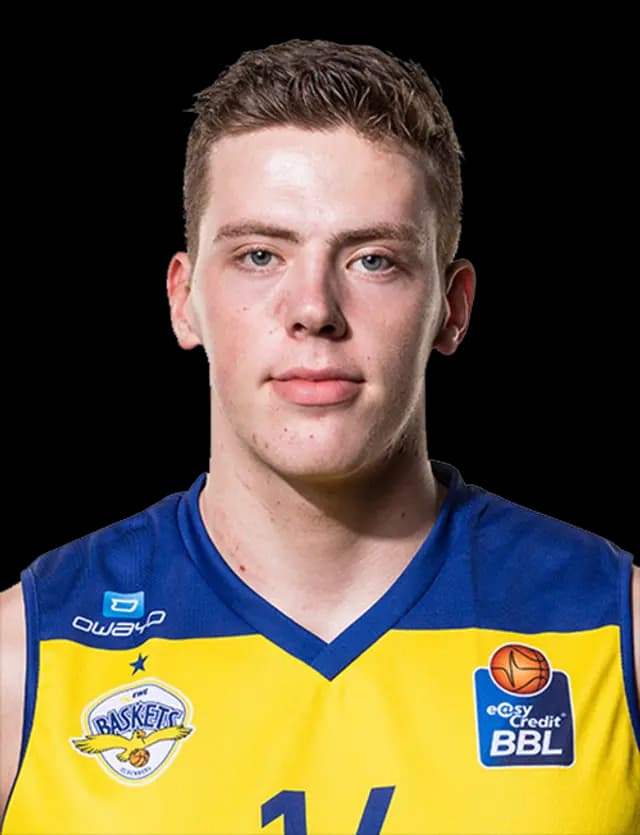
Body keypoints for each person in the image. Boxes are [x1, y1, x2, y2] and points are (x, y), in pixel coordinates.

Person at [1, 37, 638, 835]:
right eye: (259, 254)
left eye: (373, 260)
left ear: (453, 308)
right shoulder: (25, 657)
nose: (313, 309)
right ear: (184, 300)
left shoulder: (615, 631)